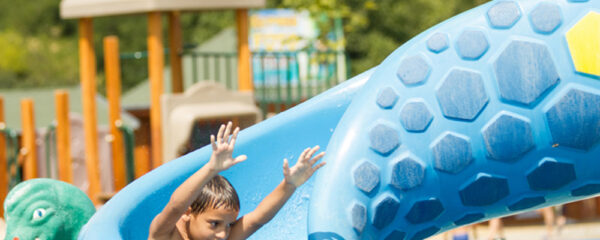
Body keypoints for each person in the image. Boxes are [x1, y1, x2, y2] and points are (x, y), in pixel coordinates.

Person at [148, 122, 326, 240]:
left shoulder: (221, 237)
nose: (223, 234)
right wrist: (211, 168)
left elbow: (257, 219)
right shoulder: (166, 234)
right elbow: (175, 206)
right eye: (214, 224)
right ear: (188, 212)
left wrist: (290, 185)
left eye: (229, 225)